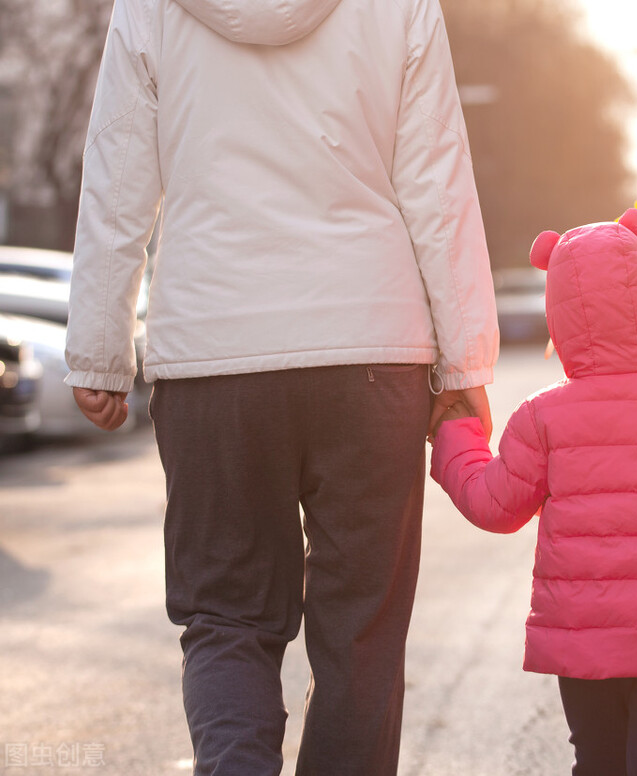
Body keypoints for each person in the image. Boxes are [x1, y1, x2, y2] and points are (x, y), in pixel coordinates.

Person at [65, 0, 497, 773]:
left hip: (215, 355)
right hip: (370, 353)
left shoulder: (152, 8)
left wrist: (98, 349)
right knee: (361, 633)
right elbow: (436, 177)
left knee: (227, 617)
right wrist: (464, 362)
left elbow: (118, 172)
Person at [429, 207, 637, 776]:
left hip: (582, 638)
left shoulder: (541, 419)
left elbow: (493, 504)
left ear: (558, 311)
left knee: (597, 760)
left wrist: (453, 432)